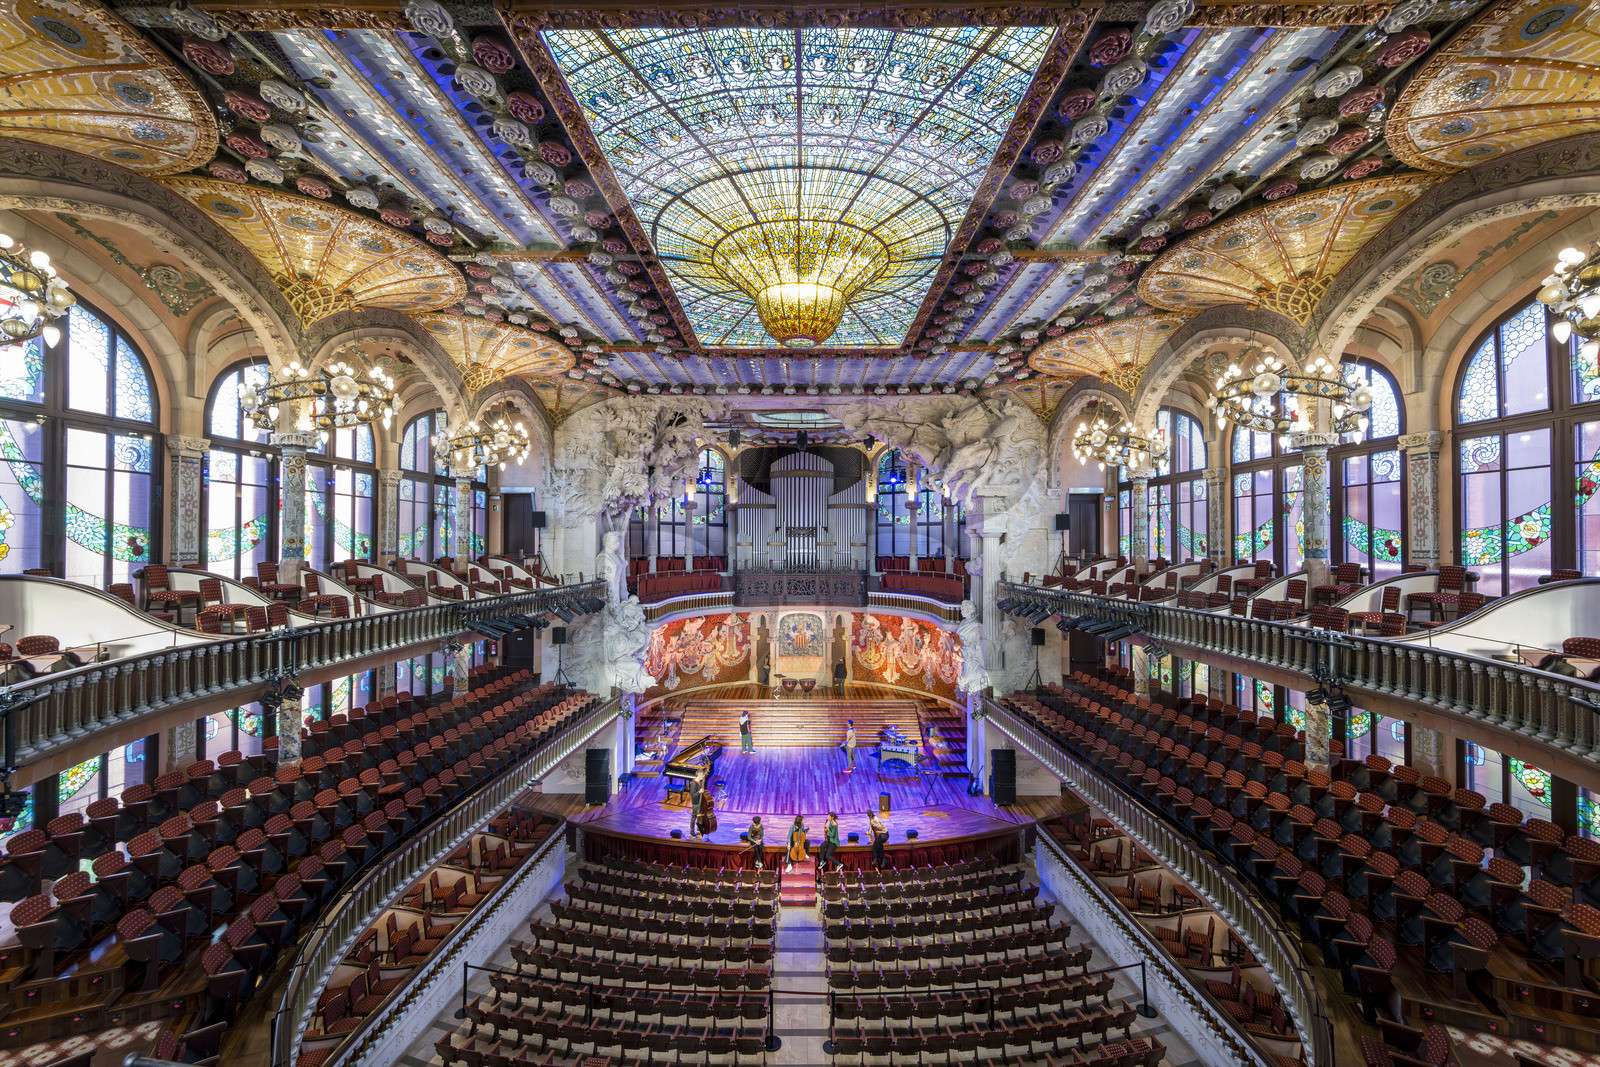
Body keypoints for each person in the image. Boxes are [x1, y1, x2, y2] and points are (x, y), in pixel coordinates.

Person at [687, 776, 704, 840]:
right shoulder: (693, 784)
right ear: (699, 775)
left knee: (699, 816)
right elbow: (693, 795)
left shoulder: (700, 782)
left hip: (699, 802)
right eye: (702, 775)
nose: (703, 776)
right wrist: (699, 792)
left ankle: (698, 829)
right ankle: (691, 832)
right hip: (695, 803)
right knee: (694, 817)